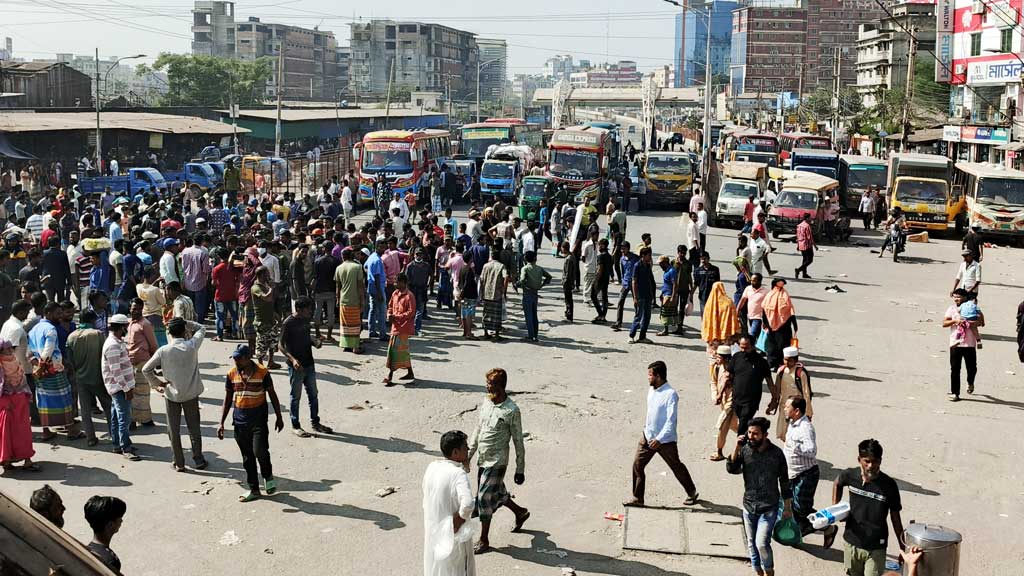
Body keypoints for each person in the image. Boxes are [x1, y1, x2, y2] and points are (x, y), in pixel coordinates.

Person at [467, 368, 529, 554]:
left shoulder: (512, 410)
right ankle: (520, 512)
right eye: (487, 384)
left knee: (484, 498)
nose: (488, 387)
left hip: (498, 461)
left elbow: (518, 440)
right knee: (497, 492)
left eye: (491, 384)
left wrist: (520, 469)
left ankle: (484, 540)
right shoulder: (486, 403)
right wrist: (468, 455)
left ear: (501, 386)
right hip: (483, 458)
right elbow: (478, 430)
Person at [625, 360, 700, 508]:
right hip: (647, 436)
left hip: (665, 441)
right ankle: (637, 498)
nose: (648, 378)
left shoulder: (670, 394)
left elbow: (671, 421)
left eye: (650, 375)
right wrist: (647, 432)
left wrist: (659, 439)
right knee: (637, 465)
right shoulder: (652, 389)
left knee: (676, 466)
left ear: (658, 376)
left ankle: (692, 492)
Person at [726, 417, 793, 576]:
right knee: (751, 543)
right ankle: (758, 572)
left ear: (765, 435)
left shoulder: (776, 454)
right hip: (749, 506)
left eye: (755, 434)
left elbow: (784, 481)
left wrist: (788, 507)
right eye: (749, 432)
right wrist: (736, 447)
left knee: (761, 543)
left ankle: (769, 570)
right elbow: (731, 468)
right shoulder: (745, 449)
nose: (751, 436)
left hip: (769, 508)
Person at [217, 344, 284, 502]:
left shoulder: (262, 372)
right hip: (240, 420)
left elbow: (272, 394)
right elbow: (227, 399)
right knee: (247, 457)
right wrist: (221, 422)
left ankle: (268, 477)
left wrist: (279, 417)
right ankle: (254, 489)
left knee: (260, 450)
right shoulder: (231, 374)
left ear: (248, 358)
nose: (236, 361)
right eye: (234, 358)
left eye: (239, 358)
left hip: (258, 418)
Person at [143, 317, 208, 472]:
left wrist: (158, 383)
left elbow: (146, 369)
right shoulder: (191, 345)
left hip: (172, 394)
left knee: (174, 429)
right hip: (191, 394)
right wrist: (187, 322)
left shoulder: (163, 350)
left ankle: (178, 462)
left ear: (169, 332)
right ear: (184, 331)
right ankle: (198, 459)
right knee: (194, 429)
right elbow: (202, 329)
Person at [832, 439, 905, 574]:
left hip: (876, 547)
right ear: (859, 459)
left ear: (880, 461)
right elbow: (837, 483)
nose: (871, 465)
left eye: (875, 461)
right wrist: (834, 510)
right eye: (867, 461)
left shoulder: (889, 485)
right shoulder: (850, 475)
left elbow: (896, 518)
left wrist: (903, 546)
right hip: (850, 544)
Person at [423, 430, 477, 576]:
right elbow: (467, 504)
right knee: (459, 568)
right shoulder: (458, 474)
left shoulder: (432, 467)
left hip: (434, 528)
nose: (468, 449)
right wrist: (459, 519)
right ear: (455, 452)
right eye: (465, 447)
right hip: (453, 533)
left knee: (438, 568)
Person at [279, 296, 333, 437]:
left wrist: (317, 342)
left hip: (309, 363)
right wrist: (293, 359)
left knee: (313, 395)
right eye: (308, 309)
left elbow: (307, 338)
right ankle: (295, 425)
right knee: (295, 397)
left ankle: (315, 423)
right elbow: (281, 345)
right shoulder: (288, 323)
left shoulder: (306, 320)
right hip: (296, 367)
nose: (310, 312)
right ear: (299, 309)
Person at [28, 302, 82, 442]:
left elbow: (29, 351)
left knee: (44, 400)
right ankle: (70, 429)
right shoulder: (51, 329)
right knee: (64, 398)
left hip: (39, 371)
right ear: (49, 313)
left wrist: (37, 364)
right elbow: (48, 349)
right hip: (53, 369)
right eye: (57, 313)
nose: (60, 316)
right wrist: (43, 364)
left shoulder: (34, 329)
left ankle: (46, 431)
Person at [783, 396, 833, 542]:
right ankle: (802, 529)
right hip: (793, 473)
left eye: (787, 407)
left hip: (806, 474)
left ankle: (826, 527)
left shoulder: (805, 428)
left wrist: (794, 447)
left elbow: (811, 450)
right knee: (794, 506)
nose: (784, 409)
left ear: (796, 411)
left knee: (802, 508)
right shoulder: (793, 423)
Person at [65, 310, 110, 448]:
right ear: (92, 321)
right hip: (98, 376)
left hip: (80, 378)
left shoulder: (71, 336)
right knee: (108, 406)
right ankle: (114, 433)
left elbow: (69, 359)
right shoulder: (97, 334)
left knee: (85, 410)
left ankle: (91, 437)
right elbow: (105, 355)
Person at [102, 314, 139, 461]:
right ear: (121, 327)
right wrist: (127, 389)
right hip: (119, 388)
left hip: (118, 386)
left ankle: (117, 443)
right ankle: (126, 447)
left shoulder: (117, 342)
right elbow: (116, 372)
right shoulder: (113, 345)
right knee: (124, 417)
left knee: (116, 416)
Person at [727, 334, 778, 443]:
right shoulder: (736, 357)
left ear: (753, 346)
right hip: (736, 398)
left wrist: (774, 399)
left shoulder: (761, 362)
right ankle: (750, 444)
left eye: (746, 347)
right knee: (742, 423)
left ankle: (741, 450)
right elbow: (729, 376)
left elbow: (770, 382)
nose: (743, 350)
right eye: (741, 347)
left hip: (751, 401)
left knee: (743, 424)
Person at [0, 337, 37, 472]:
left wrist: (27, 394)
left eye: (11, 348)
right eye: (6, 349)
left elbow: (22, 380)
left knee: (24, 432)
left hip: (20, 401)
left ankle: (27, 460)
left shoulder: (15, 361)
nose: (10, 351)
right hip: (6, 404)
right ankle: (6, 461)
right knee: (7, 434)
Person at [943, 289, 983, 401]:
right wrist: (955, 321)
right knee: (955, 369)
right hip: (955, 344)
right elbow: (944, 323)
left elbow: (981, 322)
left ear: (965, 297)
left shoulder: (972, 308)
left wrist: (975, 323)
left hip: (969, 345)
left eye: (959, 296)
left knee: (972, 369)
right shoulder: (951, 309)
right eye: (954, 297)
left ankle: (970, 382)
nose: (956, 299)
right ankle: (955, 393)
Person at [125, 298, 157, 429]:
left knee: (143, 393)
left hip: (143, 362)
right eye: (134, 308)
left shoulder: (145, 324)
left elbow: (153, 344)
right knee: (131, 392)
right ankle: (132, 420)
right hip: (130, 362)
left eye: (138, 308)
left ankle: (145, 419)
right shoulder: (129, 323)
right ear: (130, 309)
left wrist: (153, 363)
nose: (136, 311)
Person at [773, 347, 813, 440]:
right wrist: (773, 403)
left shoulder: (800, 373)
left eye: (790, 360)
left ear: (795, 360)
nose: (787, 362)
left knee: (794, 433)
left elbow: (806, 393)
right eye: (785, 360)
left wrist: (808, 412)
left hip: (796, 409)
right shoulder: (781, 371)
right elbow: (777, 390)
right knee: (783, 432)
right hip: (784, 406)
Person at [384, 272, 416, 386]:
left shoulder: (409, 296)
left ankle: (390, 376)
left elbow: (411, 312)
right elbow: (390, 306)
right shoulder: (395, 294)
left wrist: (397, 317)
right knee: (403, 352)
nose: (395, 283)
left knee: (393, 351)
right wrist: (389, 314)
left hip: (403, 327)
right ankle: (410, 372)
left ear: (404, 283)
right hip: (395, 326)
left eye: (397, 282)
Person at [84, 495, 127, 573]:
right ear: (110, 525)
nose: (121, 521)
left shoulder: (87, 550)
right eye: (120, 518)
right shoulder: (110, 560)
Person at [761, 278, 798, 369]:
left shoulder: (775, 295)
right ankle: (776, 363)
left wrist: (765, 322)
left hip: (777, 325)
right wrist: (795, 325)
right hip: (778, 325)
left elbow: (765, 310)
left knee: (776, 345)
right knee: (777, 345)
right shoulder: (779, 295)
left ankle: (776, 363)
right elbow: (790, 311)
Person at [709, 345, 737, 462]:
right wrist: (716, 395)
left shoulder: (734, 371)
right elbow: (713, 382)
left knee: (722, 423)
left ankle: (719, 451)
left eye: (719, 357)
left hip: (732, 401)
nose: (717, 358)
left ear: (726, 358)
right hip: (723, 401)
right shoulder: (716, 367)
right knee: (734, 425)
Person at [335, 248, 366, 353]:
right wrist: (362, 301)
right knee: (355, 324)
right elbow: (360, 286)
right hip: (355, 300)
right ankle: (355, 347)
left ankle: (346, 345)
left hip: (344, 299)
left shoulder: (339, 268)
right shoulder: (357, 267)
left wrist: (338, 299)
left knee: (345, 324)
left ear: (343, 256)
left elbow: (337, 287)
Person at [701, 281, 742, 350]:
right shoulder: (729, 302)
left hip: (713, 336)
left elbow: (706, 320)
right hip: (726, 334)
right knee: (725, 352)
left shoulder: (709, 304)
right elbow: (733, 317)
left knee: (714, 353)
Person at [479, 249, 509, 340]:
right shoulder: (501, 266)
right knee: (496, 314)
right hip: (497, 293)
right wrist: (503, 290)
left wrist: (481, 291)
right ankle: (496, 334)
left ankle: (485, 333)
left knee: (486, 313)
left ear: (491, 256)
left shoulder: (486, 266)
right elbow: (506, 277)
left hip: (486, 293)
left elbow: (481, 279)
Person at [629, 247, 656, 344]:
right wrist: (635, 297)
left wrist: (652, 294)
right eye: (649, 255)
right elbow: (634, 282)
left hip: (647, 294)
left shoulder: (648, 266)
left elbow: (650, 280)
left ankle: (642, 336)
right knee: (638, 316)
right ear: (643, 256)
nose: (650, 257)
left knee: (647, 316)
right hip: (640, 295)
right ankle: (631, 335)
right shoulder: (637, 266)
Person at [611, 242, 639, 331]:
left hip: (634, 283)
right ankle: (618, 322)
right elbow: (622, 271)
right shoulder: (622, 259)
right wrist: (623, 281)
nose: (622, 250)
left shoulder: (635, 258)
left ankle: (637, 322)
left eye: (624, 248)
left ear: (628, 248)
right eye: (621, 248)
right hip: (625, 283)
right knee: (620, 302)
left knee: (636, 303)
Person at [591, 238, 613, 324]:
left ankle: (600, 315)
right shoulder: (609, 256)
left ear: (603, 245)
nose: (599, 247)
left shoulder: (601, 256)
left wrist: (596, 280)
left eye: (600, 245)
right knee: (604, 297)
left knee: (593, 295)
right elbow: (611, 268)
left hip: (600, 279)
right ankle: (603, 315)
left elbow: (600, 269)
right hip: (606, 278)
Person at [794, 213, 817, 279]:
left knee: (805, 259)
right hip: (807, 245)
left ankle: (804, 274)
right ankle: (798, 270)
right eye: (810, 218)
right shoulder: (807, 226)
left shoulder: (799, 225)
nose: (811, 219)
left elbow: (797, 236)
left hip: (801, 244)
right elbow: (810, 237)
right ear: (807, 218)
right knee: (810, 260)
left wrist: (798, 245)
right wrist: (815, 246)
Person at [559, 241, 576, 322]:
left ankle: (569, 316)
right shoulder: (571, 256)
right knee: (569, 299)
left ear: (563, 248)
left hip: (567, 282)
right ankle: (568, 313)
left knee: (568, 299)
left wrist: (564, 282)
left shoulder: (568, 259)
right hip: (571, 281)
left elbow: (568, 273)